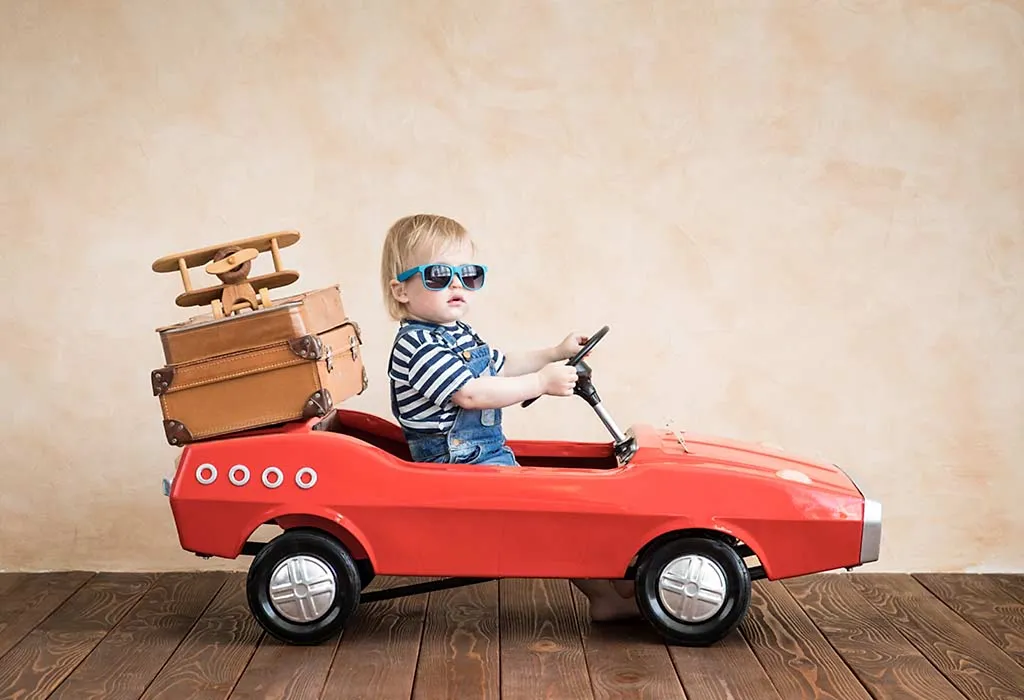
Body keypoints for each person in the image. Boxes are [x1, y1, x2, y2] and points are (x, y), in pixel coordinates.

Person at [380, 213, 639, 622]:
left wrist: (553, 353)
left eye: (469, 275)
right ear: (401, 291)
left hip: (480, 455)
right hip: (452, 467)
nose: (456, 286)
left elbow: (501, 364)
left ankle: (614, 580)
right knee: (544, 514)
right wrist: (540, 383)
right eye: (437, 276)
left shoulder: (458, 333)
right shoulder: (417, 346)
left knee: (560, 502)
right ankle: (603, 596)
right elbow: (471, 393)